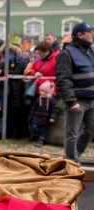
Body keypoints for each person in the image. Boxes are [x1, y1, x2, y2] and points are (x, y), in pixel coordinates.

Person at [56, 21, 94, 163]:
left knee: (91, 130)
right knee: (72, 132)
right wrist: (71, 101)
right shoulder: (67, 53)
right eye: (89, 32)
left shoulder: (90, 51)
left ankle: (73, 157)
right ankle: (72, 160)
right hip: (77, 100)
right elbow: (63, 79)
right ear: (80, 35)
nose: (92, 35)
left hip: (91, 99)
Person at [28, 81, 58, 147]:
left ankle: (40, 140)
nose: (40, 92)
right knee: (34, 127)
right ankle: (34, 135)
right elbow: (33, 108)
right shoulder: (38, 99)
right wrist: (31, 116)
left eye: (42, 91)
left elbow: (54, 109)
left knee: (44, 130)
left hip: (46, 119)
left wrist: (52, 117)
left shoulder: (52, 100)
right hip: (36, 117)